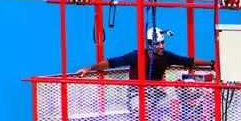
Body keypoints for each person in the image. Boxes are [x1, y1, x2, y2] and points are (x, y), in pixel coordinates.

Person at [75, 28, 212, 81]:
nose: (161, 46)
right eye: (157, 43)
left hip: (156, 93)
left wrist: (211, 64)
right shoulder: (136, 56)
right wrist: (89, 68)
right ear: (149, 44)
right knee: (139, 118)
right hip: (137, 94)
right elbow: (111, 62)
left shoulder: (167, 56)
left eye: (162, 43)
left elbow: (188, 61)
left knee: (162, 112)